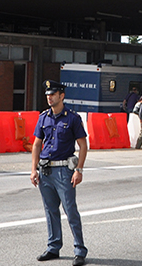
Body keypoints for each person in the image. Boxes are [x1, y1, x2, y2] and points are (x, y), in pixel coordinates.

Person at [30, 80, 88, 266]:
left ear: (61, 96)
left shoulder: (72, 118)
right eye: (48, 94)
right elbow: (37, 144)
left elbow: (83, 145)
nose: (49, 97)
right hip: (45, 171)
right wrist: (33, 169)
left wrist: (79, 170)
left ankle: (79, 250)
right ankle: (53, 246)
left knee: (70, 211)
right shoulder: (43, 117)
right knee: (50, 210)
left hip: (64, 170)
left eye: (53, 94)